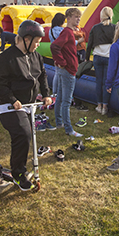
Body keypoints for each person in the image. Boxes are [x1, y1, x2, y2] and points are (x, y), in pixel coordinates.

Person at [0, 20, 53, 191]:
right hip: (8, 105)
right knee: (23, 134)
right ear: (26, 39)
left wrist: (46, 94)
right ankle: (18, 174)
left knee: (26, 137)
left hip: (28, 104)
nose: (38, 46)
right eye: (36, 42)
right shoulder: (5, 59)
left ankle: (20, 168)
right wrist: (12, 99)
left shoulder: (36, 56)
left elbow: (42, 75)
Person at [50, 7, 84, 138]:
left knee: (60, 97)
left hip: (67, 68)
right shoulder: (67, 32)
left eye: (79, 17)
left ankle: (59, 122)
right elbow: (55, 46)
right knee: (66, 100)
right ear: (68, 18)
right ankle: (69, 129)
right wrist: (62, 62)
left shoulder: (68, 32)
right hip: (68, 70)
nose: (78, 19)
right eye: (76, 17)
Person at [86, 6, 115, 115]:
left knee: (99, 81)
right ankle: (105, 106)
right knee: (107, 82)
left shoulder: (95, 28)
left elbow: (89, 44)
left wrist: (87, 58)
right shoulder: (114, 28)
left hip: (97, 57)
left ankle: (99, 105)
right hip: (109, 57)